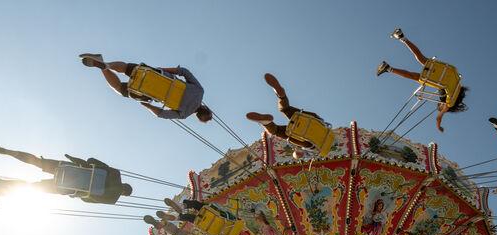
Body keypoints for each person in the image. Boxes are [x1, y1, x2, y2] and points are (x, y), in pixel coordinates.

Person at [0, 142, 133, 205]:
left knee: (36, 161)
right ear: (124, 194)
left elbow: (91, 161)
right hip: (67, 187)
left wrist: (73, 159)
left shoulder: (116, 174)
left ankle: (6, 151)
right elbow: (89, 200)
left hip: (71, 169)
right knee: (32, 187)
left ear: (125, 184)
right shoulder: (112, 199)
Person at [376, 28, 468, 132]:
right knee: (412, 76)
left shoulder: (458, 87)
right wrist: (439, 127)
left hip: (445, 70)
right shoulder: (449, 103)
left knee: (421, 58)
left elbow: (455, 74)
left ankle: (401, 37)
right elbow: (438, 117)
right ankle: (388, 68)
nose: (440, 104)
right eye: (440, 105)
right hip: (439, 79)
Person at [78, 54, 212, 123]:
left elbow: (183, 72)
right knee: (120, 88)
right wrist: (146, 106)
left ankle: (106, 64)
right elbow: (161, 114)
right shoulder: (184, 114)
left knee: (125, 68)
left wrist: (161, 69)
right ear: (198, 116)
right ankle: (103, 68)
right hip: (146, 93)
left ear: (205, 108)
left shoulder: (200, 91)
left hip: (155, 75)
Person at [245, 73, 328, 157]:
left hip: (317, 121)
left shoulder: (326, 136)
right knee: (277, 130)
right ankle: (267, 122)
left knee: (286, 109)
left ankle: (281, 97)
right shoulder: (308, 151)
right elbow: (298, 155)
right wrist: (296, 153)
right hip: (311, 141)